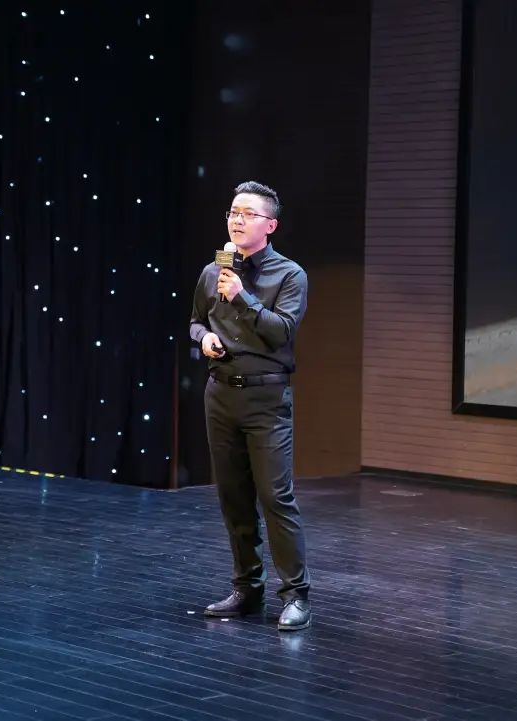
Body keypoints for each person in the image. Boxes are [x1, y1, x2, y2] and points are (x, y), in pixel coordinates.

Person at [188, 180, 311, 631]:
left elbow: (281, 331)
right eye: (233, 213)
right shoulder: (212, 271)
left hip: (266, 398)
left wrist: (242, 295)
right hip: (220, 394)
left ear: (270, 225)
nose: (237, 221)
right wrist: (205, 339)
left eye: (248, 214)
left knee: (275, 497)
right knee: (233, 496)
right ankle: (247, 588)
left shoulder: (290, 275)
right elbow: (195, 322)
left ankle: (296, 595)